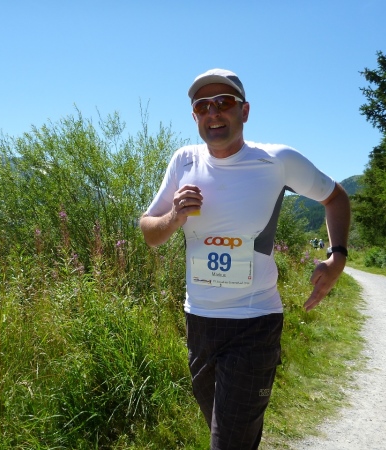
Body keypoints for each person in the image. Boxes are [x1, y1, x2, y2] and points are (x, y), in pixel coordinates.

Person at [139, 68, 350, 450]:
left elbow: (335, 197)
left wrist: (337, 259)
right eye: (203, 106)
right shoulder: (183, 161)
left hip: (254, 324)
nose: (213, 112)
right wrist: (174, 217)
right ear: (194, 116)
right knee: (227, 433)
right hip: (199, 322)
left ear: (245, 111)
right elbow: (149, 232)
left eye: (224, 102)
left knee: (227, 442)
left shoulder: (277, 161)